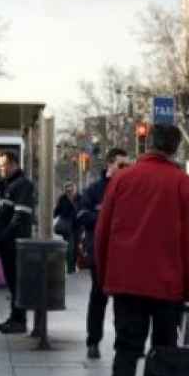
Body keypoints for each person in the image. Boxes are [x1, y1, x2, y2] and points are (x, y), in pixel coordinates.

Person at [94, 124, 189, 376]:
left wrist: (105, 278)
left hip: (127, 285)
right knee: (163, 354)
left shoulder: (122, 180)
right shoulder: (184, 186)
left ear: (148, 144)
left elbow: (102, 233)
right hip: (167, 288)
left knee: (126, 351)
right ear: (174, 149)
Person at [74, 148, 130, 361]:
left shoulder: (131, 188)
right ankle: (93, 341)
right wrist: (105, 219)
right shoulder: (95, 190)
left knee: (123, 302)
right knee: (98, 297)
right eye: (121, 165)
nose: (125, 169)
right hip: (99, 252)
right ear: (109, 165)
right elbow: (81, 215)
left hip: (123, 254)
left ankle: (122, 343)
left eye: (128, 165)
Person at [0, 150, 37, 334]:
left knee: (17, 282)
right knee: (12, 282)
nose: (1, 169)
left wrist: (3, 237)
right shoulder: (6, 185)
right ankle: (14, 317)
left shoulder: (23, 185)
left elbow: (19, 217)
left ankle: (20, 321)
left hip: (15, 243)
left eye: (4, 165)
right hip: (6, 243)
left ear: (14, 164)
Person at [54, 182, 78, 273]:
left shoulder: (77, 198)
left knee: (73, 247)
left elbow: (79, 210)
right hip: (67, 227)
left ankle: (71, 266)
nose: (69, 191)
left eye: (70, 189)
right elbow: (57, 211)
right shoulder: (63, 198)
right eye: (68, 189)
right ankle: (70, 268)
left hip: (75, 226)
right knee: (70, 247)